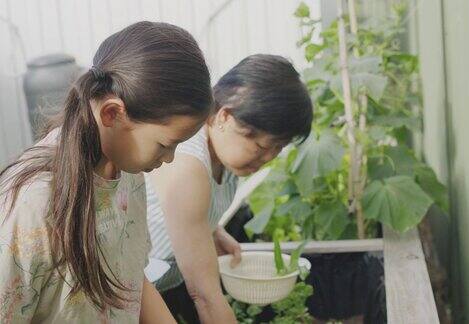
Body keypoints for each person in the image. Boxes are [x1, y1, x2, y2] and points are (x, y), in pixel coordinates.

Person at [0, 21, 213, 323]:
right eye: (166, 145)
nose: (169, 158)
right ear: (111, 113)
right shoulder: (33, 202)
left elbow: (132, 278)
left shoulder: (128, 173)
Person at [146, 54, 314, 323]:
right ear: (225, 116)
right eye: (260, 146)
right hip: (128, 291)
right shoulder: (188, 164)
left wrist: (213, 230)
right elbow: (204, 294)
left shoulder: (226, 158)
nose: (268, 157)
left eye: (278, 148)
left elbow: (183, 212)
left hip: (157, 283)